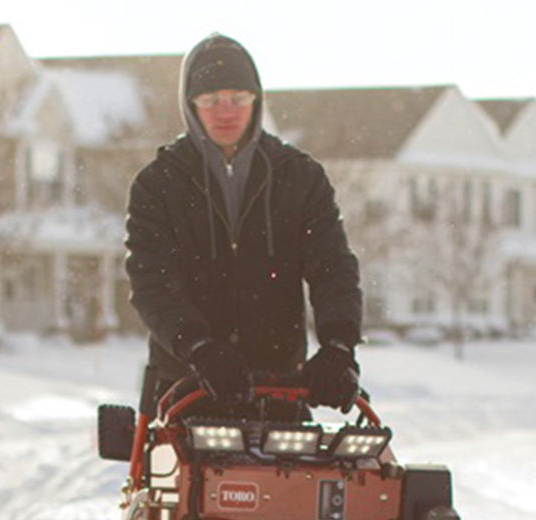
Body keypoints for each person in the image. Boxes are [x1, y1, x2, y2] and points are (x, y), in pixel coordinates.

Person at [125, 32, 362, 415]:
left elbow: (332, 267)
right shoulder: (159, 184)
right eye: (211, 100)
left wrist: (338, 346)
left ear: (256, 99)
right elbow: (152, 282)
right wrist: (199, 348)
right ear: (191, 105)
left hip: (278, 388)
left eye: (238, 98)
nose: (226, 111)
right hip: (184, 390)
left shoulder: (299, 178)